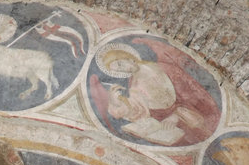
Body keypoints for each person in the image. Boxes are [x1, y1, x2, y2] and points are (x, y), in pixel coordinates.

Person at [90, 41, 219, 146]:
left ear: (128, 57)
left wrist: (176, 116)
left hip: (191, 116)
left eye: (120, 64)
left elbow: (194, 95)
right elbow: (137, 109)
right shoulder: (133, 83)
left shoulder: (165, 69)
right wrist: (116, 103)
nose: (123, 69)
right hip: (167, 127)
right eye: (118, 70)